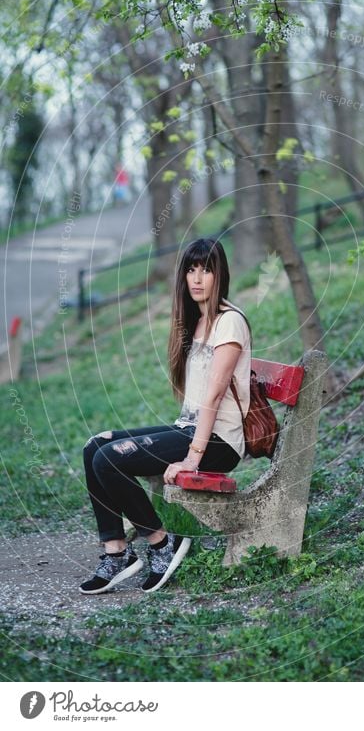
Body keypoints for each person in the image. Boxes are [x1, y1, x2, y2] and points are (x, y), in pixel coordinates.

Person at [80, 237, 251, 594]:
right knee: (95, 446)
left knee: (110, 460)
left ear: (221, 273)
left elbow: (217, 393)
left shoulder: (229, 321)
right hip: (190, 429)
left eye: (206, 269)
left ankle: (161, 543)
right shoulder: (198, 323)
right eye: (191, 269)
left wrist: (192, 457)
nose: (197, 278)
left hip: (218, 442)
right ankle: (116, 552)